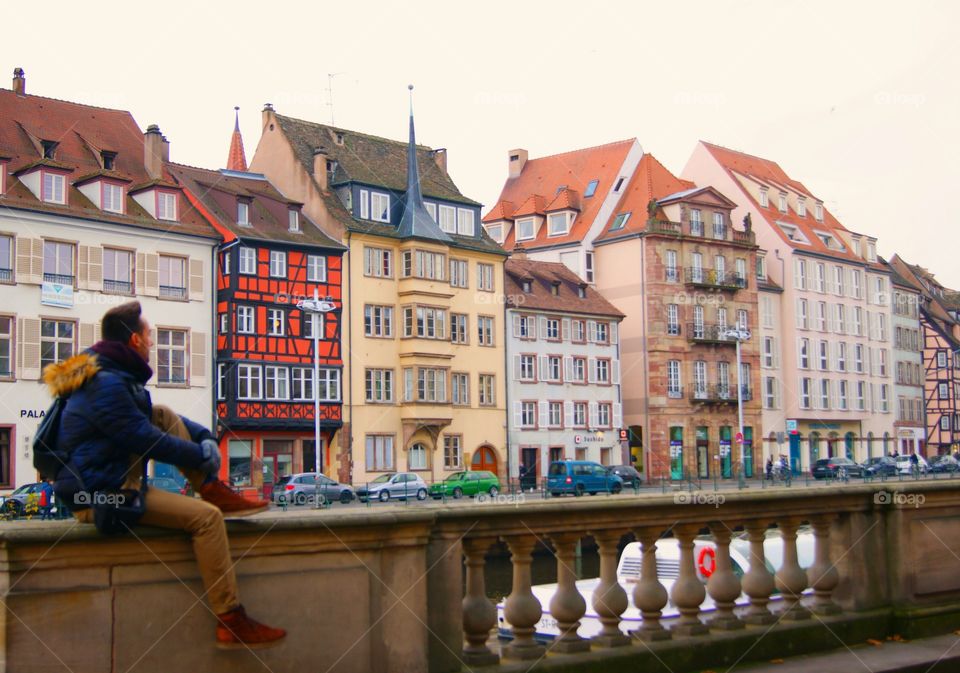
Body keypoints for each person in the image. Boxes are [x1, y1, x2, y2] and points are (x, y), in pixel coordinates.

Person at [46, 301, 285, 650]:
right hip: (101, 496)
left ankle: (209, 487)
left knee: (161, 412)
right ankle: (230, 620)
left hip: (111, 480)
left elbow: (154, 422)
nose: (152, 343)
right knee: (207, 519)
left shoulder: (111, 376)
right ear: (133, 340)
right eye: (148, 336)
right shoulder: (107, 386)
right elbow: (143, 440)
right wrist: (198, 454)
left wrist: (205, 437)